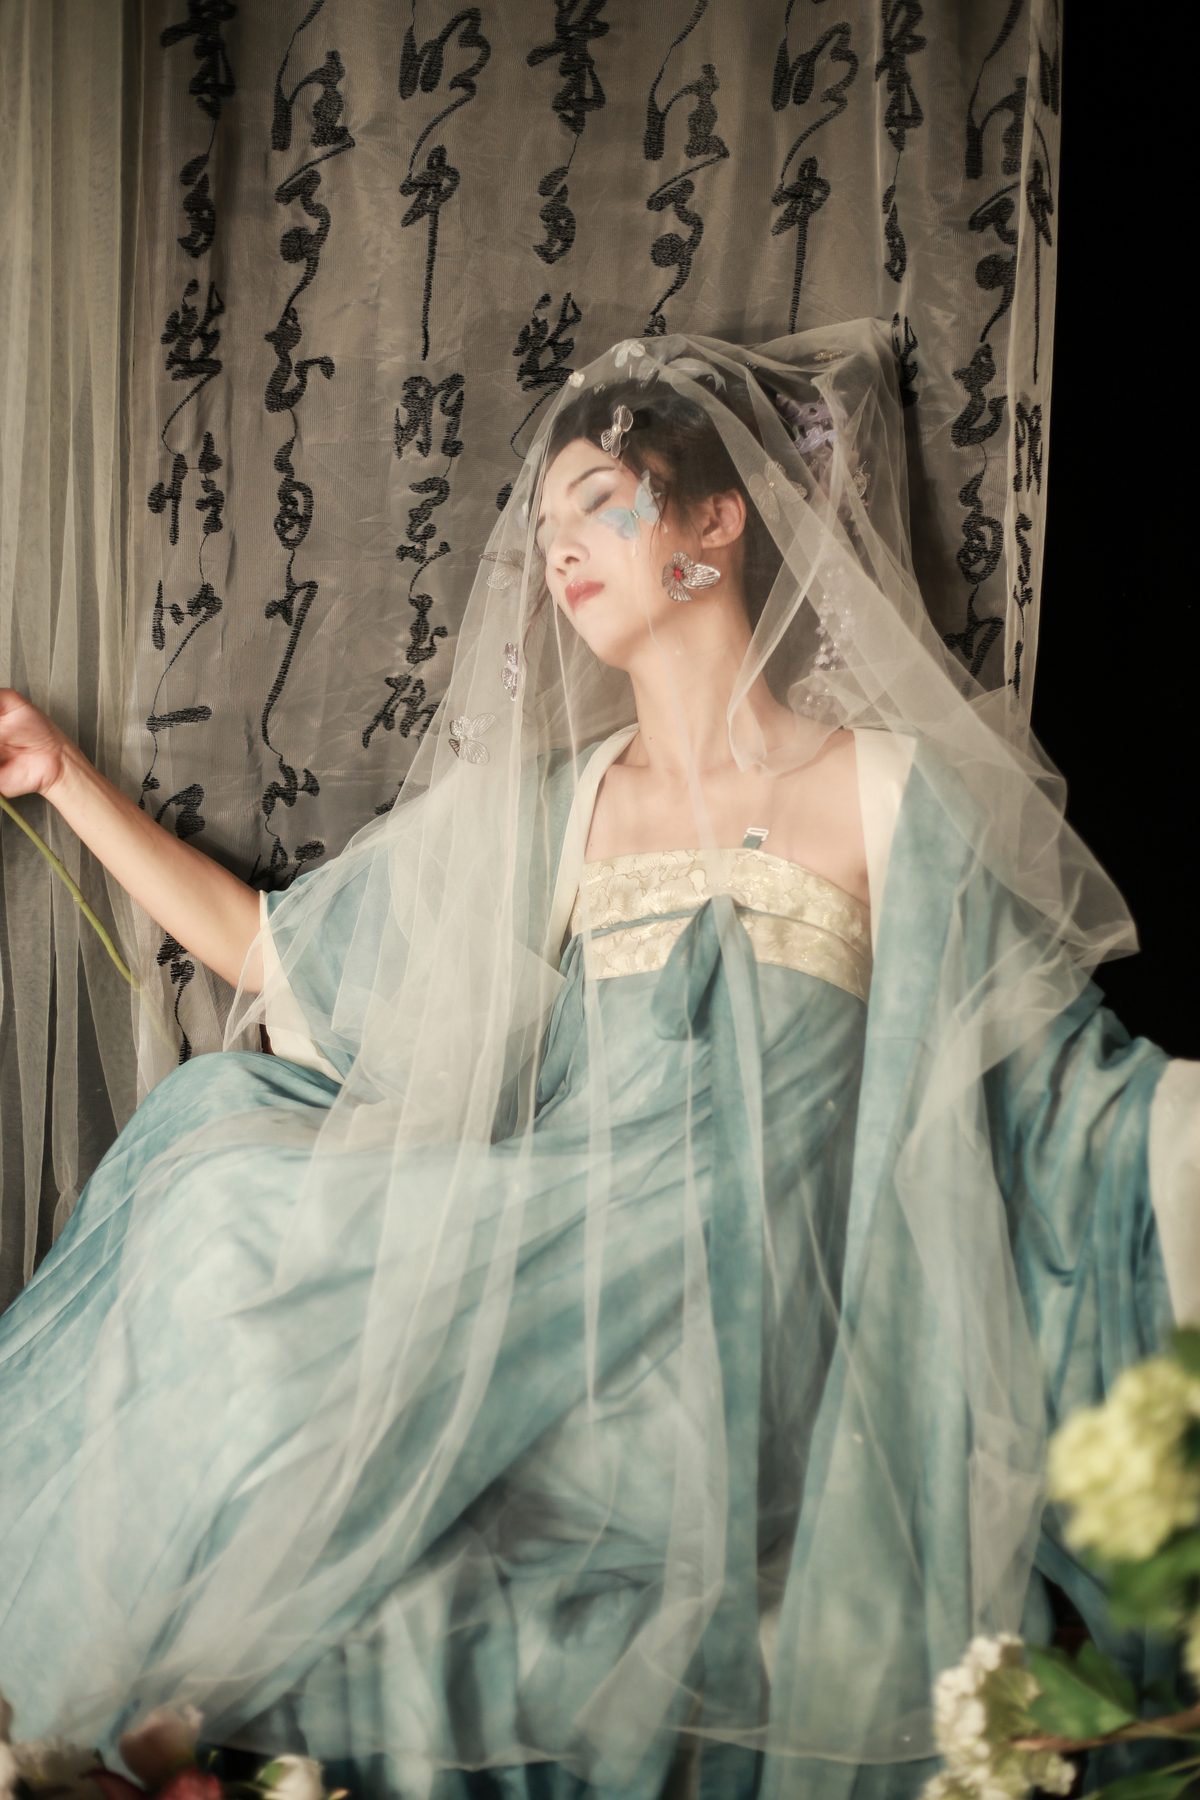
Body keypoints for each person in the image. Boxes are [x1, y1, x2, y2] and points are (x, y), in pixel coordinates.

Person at [0, 324, 1195, 1800]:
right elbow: (271, 951)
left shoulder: (889, 789)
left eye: (604, 504)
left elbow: (1040, 1080)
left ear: (719, 518)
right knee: (220, 1188)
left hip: (772, 1299)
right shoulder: (561, 810)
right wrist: (63, 780)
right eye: (548, 522)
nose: (560, 547)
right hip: (567, 1246)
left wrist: (1172, 1134)